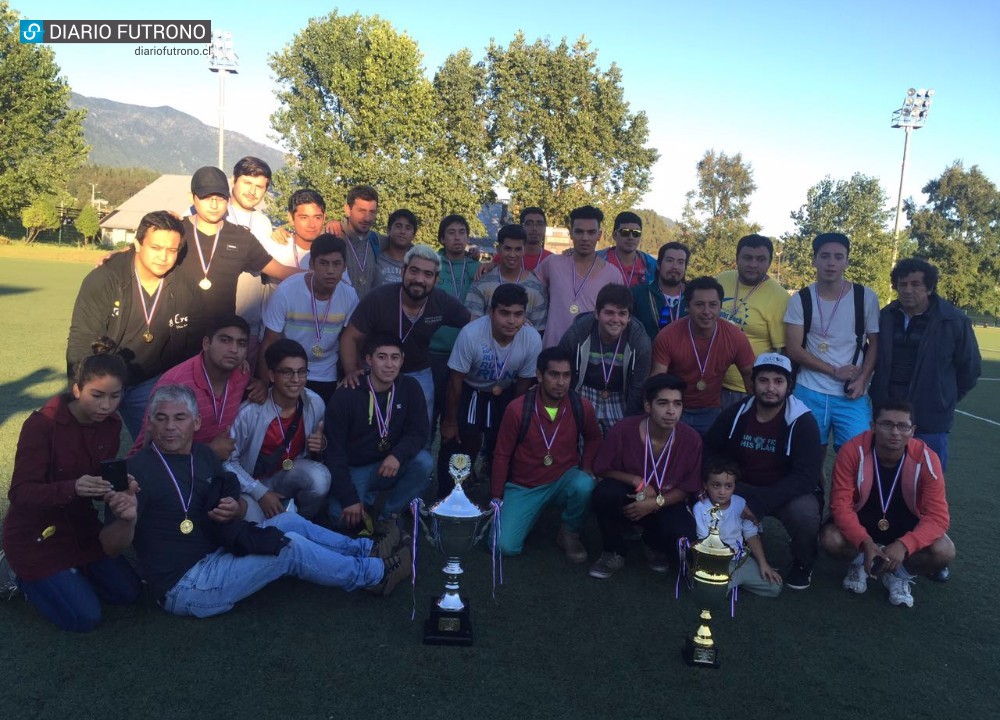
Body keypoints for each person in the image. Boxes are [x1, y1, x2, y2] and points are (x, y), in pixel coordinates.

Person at [102, 384, 411, 618]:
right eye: (161, 418)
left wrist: (233, 508)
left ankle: (366, 549)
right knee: (288, 549)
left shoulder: (204, 455)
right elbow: (110, 546)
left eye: (179, 418)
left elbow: (229, 503)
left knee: (287, 521)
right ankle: (375, 575)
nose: (170, 427)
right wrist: (126, 520)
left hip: (219, 550)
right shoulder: (134, 472)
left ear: (195, 423)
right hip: (185, 585)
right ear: (150, 424)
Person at [2, 347, 142, 631]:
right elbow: (19, 493)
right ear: (77, 390)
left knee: (128, 593)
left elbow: (98, 478)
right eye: (97, 395)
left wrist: (118, 490)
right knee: (84, 618)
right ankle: (12, 571)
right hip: (34, 533)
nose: (106, 405)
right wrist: (72, 488)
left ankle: (70, 576)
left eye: (115, 396)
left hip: (80, 527)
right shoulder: (42, 424)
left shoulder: (111, 425)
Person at [67, 210, 194, 438]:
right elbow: (81, 338)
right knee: (88, 443)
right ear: (137, 244)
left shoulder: (183, 283)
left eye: (171, 250)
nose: (163, 257)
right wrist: (81, 391)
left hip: (149, 381)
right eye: (155, 247)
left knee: (159, 443)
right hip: (103, 378)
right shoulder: (105, 278)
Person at [704, 353, 823, 590]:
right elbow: (709, 451)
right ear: (753, 383)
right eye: (764, 380)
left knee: (805, 513)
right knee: (703, 494)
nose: (770, 388)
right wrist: (730, 490)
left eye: (778, 381)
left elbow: (806, 477)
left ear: (789, 386)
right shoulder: (735, 414)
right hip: (740, 487)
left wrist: (761, 503)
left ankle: (802, 562)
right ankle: (724, 548)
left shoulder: (803, 422)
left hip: (784, 492)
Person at [822, 400, 955, 608]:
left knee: (944, 550)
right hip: (863, 521)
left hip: (904, 527)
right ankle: (859, 564)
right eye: (887, 424)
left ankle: (898, 575)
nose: (895, 432)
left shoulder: (927, 458)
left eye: (903, 426)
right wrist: (864, 542)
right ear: (873, 426)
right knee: (830, 538)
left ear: (913, 431)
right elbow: (840, 506)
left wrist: (905, 544)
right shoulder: (852, 451)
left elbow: (938, 517)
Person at [339, 245, 471, 429]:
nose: (419, 279)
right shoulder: (378, 299)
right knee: (371, 423)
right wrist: (351, 370)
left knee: (421, 424)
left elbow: (474, 323)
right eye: (414, 271)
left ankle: (420, 455)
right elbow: (350, 337)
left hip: (417, 370)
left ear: (436, 279)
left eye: (427, 274)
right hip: (376, 367)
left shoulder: (442, 301)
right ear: (403, 271)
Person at [869, 257, 981, 472]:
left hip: (930, 416)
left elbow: (970, 368)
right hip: (887, 412)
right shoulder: (886, 316)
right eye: (902, 284)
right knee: (883, 477)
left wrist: (944, 397)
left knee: (928, 478)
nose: (908, 290)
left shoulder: (953, 321)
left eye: (915, 284)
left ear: (929, 288)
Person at [491, 348, 603, 560]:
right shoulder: (517, 409)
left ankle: (569, 532)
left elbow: (594, 437)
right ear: (540, 375)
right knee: (503, 547)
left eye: (566, 375)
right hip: (525, 485)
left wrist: (587, 466)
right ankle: (525, 516)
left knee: (585, 484)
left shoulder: (581, 406)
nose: (561, 382)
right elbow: (502, 454)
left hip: (564, 479)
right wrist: (496, 496)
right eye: (554, 374)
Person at [589, 374, 702, 578]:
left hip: (666, 501)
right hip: (631, 496)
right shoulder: (624, 429)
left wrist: (655, 503)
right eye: (663, 403)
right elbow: (602, 468)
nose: (671, 411)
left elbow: (688, 487)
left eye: (677, 404)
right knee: (605, 493)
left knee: (683, 534)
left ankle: (654, 545)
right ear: (648, 406)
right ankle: (614, 550)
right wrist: (636, 481)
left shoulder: (691, 439)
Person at [439, 283, 542, 495]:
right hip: (470, 387)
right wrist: (449, 421)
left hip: (505, 391)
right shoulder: (471, 334)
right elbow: (455, 381)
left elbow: (523, 385)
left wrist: (516, 421)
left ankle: (500, 494)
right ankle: (447, 493)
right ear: (490, 312)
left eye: (518, 314)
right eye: (504, 313)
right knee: (461, 437)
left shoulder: (531, 338)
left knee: (504, 440)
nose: (512, 321)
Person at [179, 166, 301, 345]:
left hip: (224, 337)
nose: (214, 205)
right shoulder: (175, 230)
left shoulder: (242, 237)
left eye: (220, 198)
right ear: (192, 198)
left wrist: (317, 275)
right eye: (206, 197)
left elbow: (278, 270)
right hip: (179, 332)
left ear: (227, 199)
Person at [784, 232, 880, 455]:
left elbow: (875, 343)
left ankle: (847, 492)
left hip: (851, 394)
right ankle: (814, 490)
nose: (831, 263)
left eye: (838, 257)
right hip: (809, 390)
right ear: (814, 260)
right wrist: (834, 370)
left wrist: (863, 379)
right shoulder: (801, 299)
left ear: (847, 261)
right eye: (825, 256)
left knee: (858, 457)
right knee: (807, 457)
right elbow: (794, 349)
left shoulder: (865, 297)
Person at [324, 336, 433, 530]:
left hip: (390, 463)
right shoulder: (347, 394)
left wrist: (397, 455)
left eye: (395, 357)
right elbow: (334, 451)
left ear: (402, 360)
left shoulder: (410, 387)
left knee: (423, 462)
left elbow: (418, 432)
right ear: (368, 359)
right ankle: (363, 498)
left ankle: (389, 513)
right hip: (356, 467)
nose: (389, 364)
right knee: (339, 518)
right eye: (382, 357)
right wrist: (349, 498)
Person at [225, 340, 331, 523]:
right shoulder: (249, 413)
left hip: (287, 474)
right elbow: (227, 461)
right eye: (287, 372)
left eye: (302, 372)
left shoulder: (314, 402)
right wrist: (260, 492)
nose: (296, 380)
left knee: (320, 478)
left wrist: (322, 445)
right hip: (251, 483)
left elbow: (317, 451)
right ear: (272, 376)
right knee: (259, 525)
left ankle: (302, 522)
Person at [130, 315, 262, 459]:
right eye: (225, 340)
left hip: (216, 465)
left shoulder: (242, 374)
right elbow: (148, 448)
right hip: (174, 470)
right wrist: (208, 452)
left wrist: (260, 386)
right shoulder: (174, 385)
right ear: (206, 343)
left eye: (241, 343)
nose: (234, 349)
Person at [259, 233, 359, 401]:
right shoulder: (286, 291)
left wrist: (350, 371)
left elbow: (349, 339)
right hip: (288, 369)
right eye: (323, 263)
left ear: (344, 267)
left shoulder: (349, 296)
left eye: (336, 264)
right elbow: (270, 340)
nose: (330, 271)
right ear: (312, 263)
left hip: (325, 372)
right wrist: (263, 383)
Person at [650, 276, 755, 437]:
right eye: (699, 305)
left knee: (713, 458)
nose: (706, 311)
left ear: (720, 306)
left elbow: (751, 378)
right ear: (687, 307)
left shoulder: (735, 337)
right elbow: (657, 381)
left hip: (711, 410)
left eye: (713, 305)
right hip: (675, 409)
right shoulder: (667, 336)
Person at [557, 283, 651, 436]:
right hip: (584, 389)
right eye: (609, 313)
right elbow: (560, 364)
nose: (615, 319)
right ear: (596, 313)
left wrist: (629, 424)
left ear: (629, 317)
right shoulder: (579, 331)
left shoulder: (640, 341)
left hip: (620, 395)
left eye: (622, 314)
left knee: (620, 440)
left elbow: (638, 387)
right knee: (575, 435)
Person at [691, 457, 782, 597]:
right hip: (717, 563)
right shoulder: (700, 508)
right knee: (711, 593)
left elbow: (751, 534)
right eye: (716, 485)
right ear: (705, 485)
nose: (722, 492)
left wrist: (763, 563)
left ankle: (735, 581)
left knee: (775, 587)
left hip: (740, 560)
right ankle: (728, 583)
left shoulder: (740, 503)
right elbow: (705, 543)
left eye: (728, 486)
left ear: (734, 486)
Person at [534, 205, 623, 349]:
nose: (585, 238)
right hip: (553, 352)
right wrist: (494, 265)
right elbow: (527, 286)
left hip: (591, 354)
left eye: (591, 232)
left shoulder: (613, 275)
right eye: (579, 232)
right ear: (571, 233)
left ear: (599, 234)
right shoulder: (553, 263)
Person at [716, 234, 789, 409]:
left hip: (747, 387)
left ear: (770, 262)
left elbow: (782, 351)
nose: (753, 264)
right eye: (747, 258)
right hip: (711, 382)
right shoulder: (721, 280)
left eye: (760, 259)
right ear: (737, 258)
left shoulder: (780, 298)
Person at [429, 215, 481, 430]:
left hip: (467, 352)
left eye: (462, 232)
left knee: (459, 418)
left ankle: (452, 462)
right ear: (442, 238)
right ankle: (421, 460)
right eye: (451, 232)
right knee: (429, 414)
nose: (457, 238)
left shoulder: (478, 267)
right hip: (434, 352)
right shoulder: (431, 264)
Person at [228, 157, 279, 365]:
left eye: (259, 186)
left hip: (249, 326)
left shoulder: (263, 222)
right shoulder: (210, 212)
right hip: (212, 324)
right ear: (234, 180)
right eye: (247, 183)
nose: (252, 191)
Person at [465, 223, 548, 334]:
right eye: (508, 249)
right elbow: (472, 327)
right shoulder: (482, 282)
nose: (512, 255)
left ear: (524, 250)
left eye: (518, 249)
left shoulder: (537, 289)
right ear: (498, 249)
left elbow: (539, 332)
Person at [325, 184, 383, 297]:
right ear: (347, 209)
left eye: (372, 212)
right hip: (337, 313)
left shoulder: (378, 240)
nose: (367, 218)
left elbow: (403, 243)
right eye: (361, 210)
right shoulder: (331, 236)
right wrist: (280, 233)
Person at [475, 206, 554, 279]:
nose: (534, 228)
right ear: (521, 226)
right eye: (529, 223)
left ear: (545, 227)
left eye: (539, 224)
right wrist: (489, 265)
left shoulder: (552, 260)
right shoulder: (504, 256)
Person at [632, 242, 690, 340]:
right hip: (649, 353)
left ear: (685, 267)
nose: (675, 266)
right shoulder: (638, 294)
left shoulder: (693, 296)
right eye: (669, 260)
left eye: (680, 262)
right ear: (658, 265)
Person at [596, 211, 657, 289]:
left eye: (636, 233)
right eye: (625, 232)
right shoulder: (597, 259)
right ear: (614, 235)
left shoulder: (652, 265)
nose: (631, 237)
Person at [376, 209, 417, 285]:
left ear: (413, 235)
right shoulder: (376, 260)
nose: (403, 232)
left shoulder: (416, 265)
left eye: (408, 228)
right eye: (398, 226)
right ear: (388, 230)